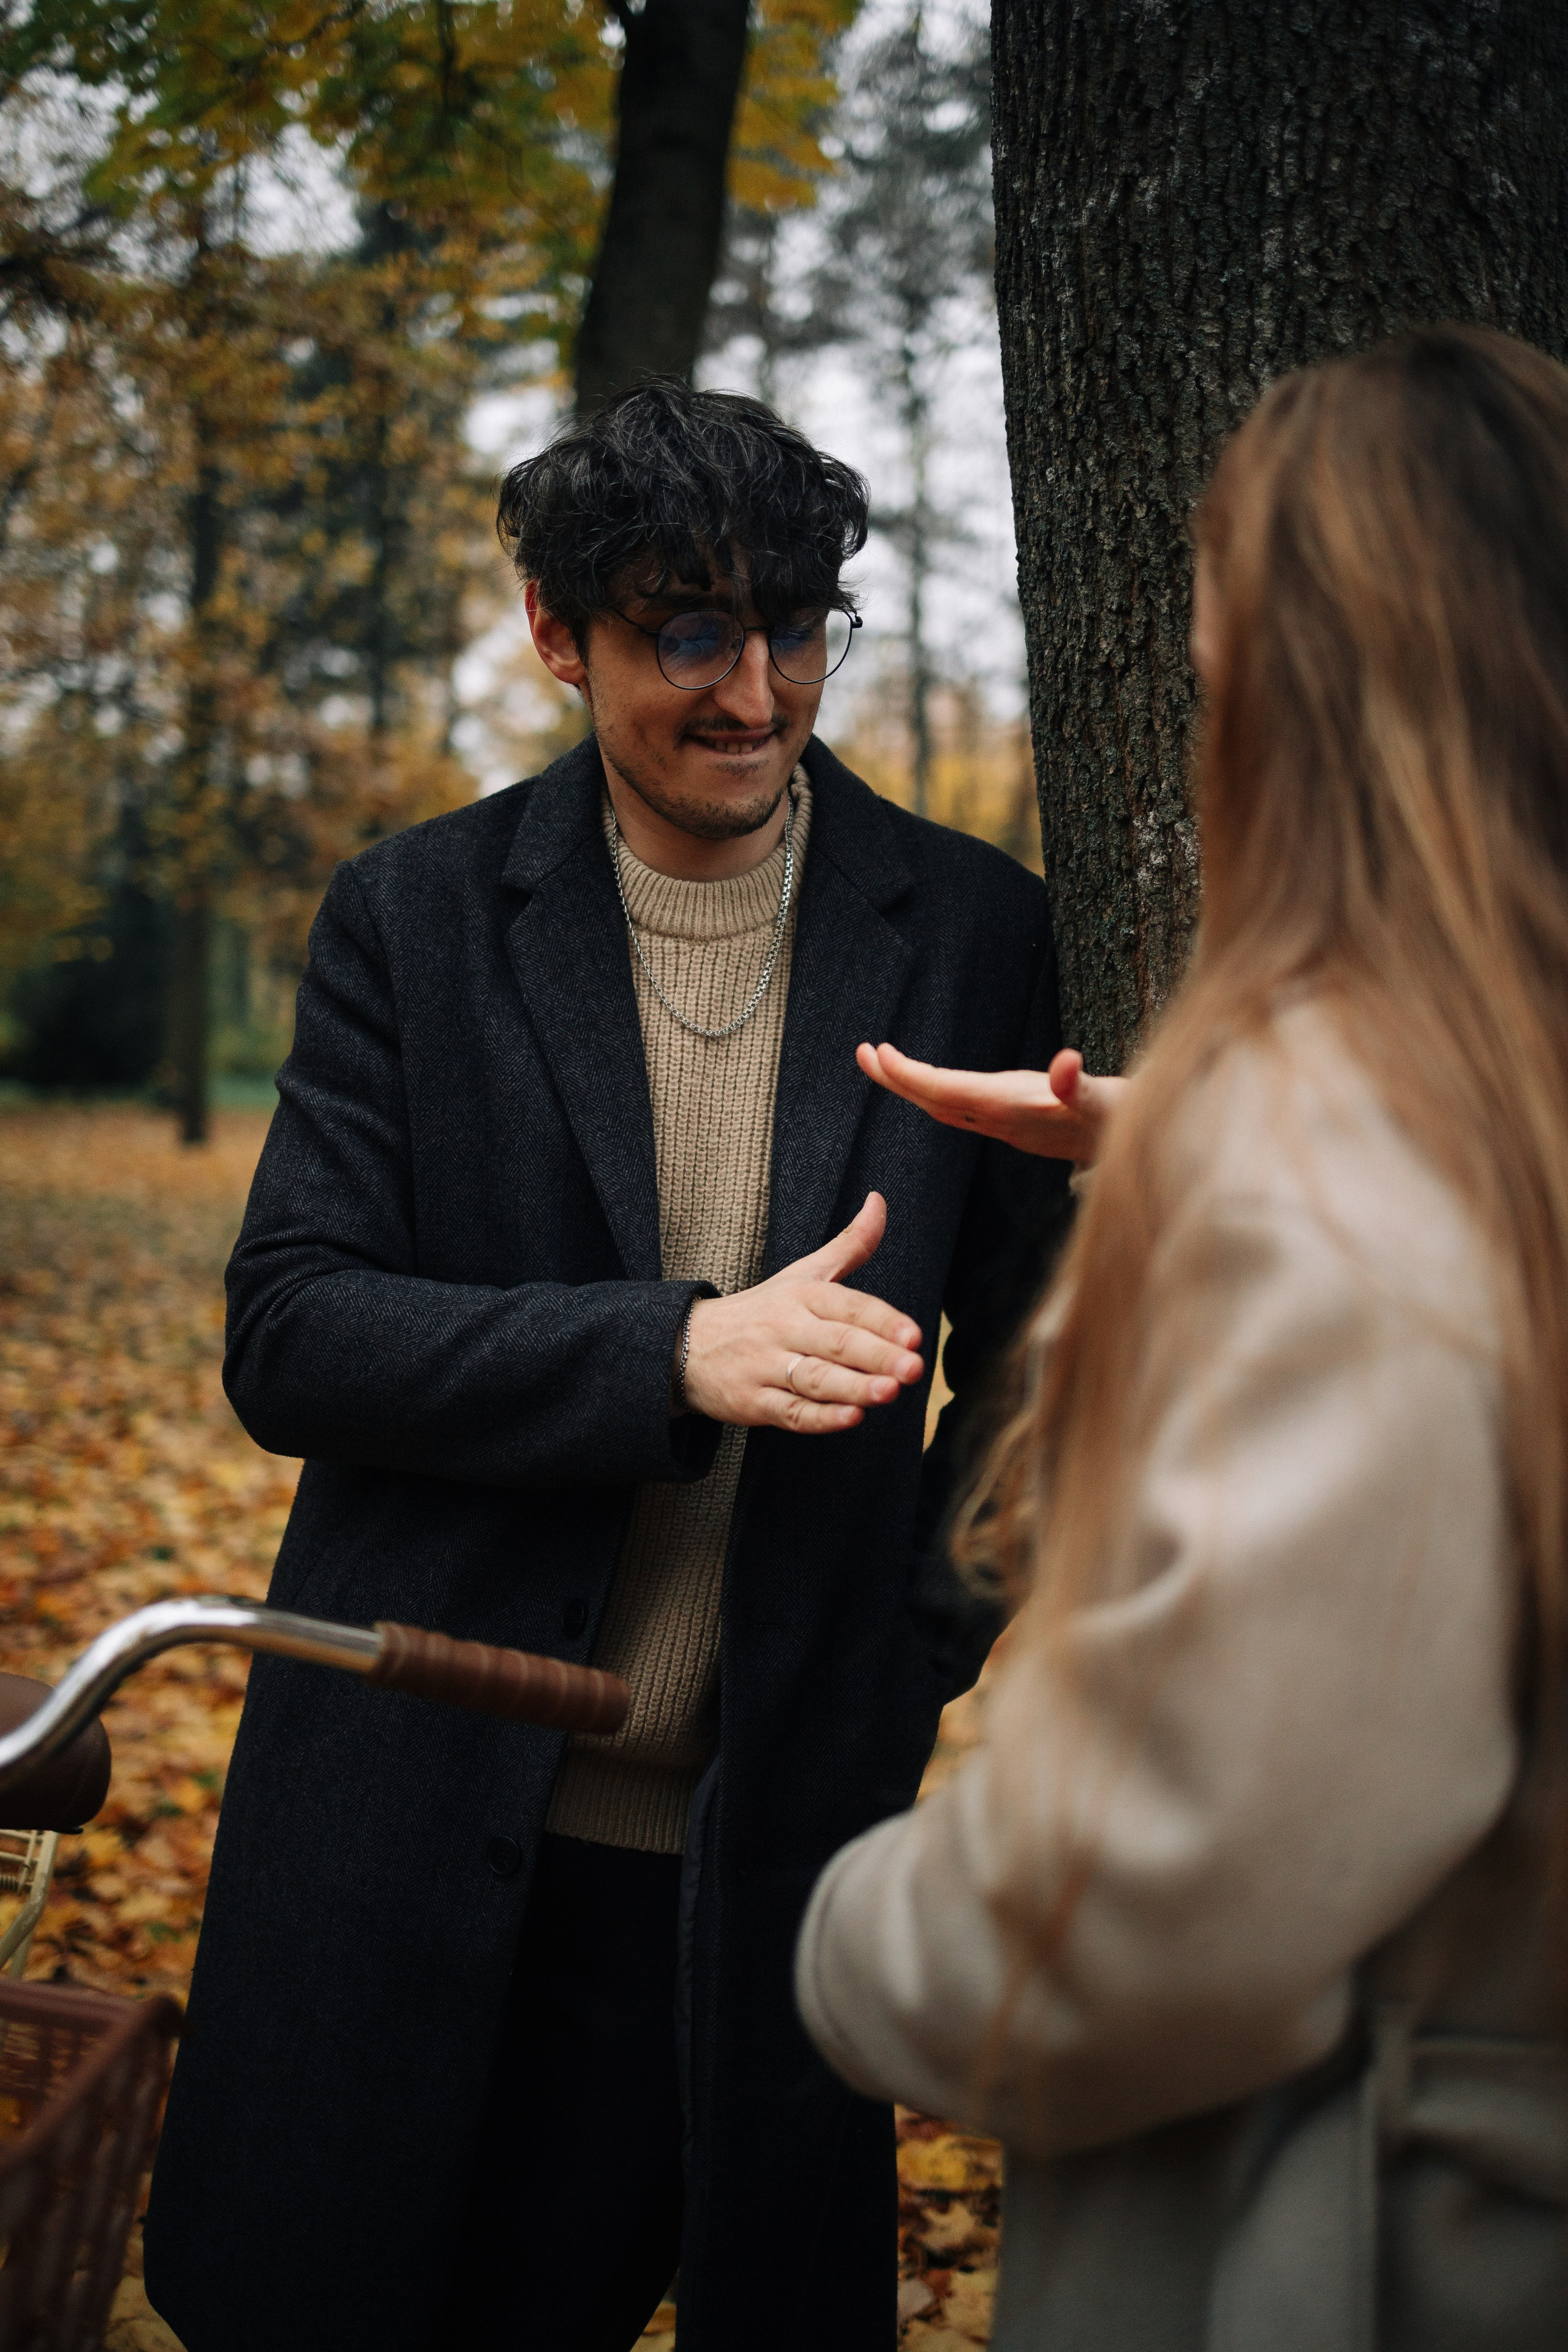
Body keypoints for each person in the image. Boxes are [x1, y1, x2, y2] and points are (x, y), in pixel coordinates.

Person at [141, 380, 1072, 2352]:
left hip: (754, 1873)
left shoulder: (982, 932)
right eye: (689, 631)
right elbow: (292, 1325)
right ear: (561, 635)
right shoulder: (411, 916)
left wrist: (909, 1642)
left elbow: (1058, 1370)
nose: (756, 691)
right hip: (397, 1819)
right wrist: (674, 1350)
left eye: (798, 627)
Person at [796, 323, 1568, 2351]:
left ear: (1304, 703)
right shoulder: (1465, 1137)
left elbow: (1164, 1901)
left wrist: (862, 1932)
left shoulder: (1348, 1168)